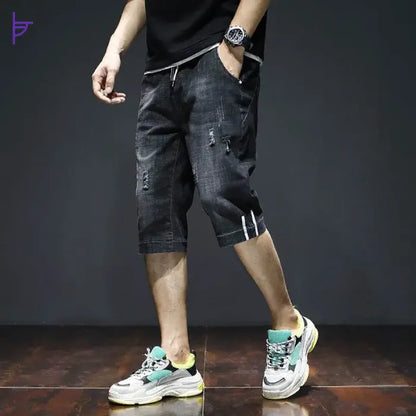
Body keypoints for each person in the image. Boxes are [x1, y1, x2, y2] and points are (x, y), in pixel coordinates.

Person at [91, 0, 319, 406]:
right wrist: (114, 49)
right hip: (160, 72)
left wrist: (235, 41)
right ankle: (176, 358)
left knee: (223, 192)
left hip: (216, 55)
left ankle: (290, 324)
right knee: (155, 209)